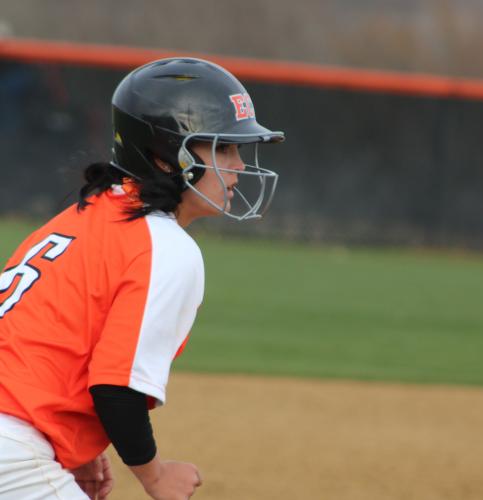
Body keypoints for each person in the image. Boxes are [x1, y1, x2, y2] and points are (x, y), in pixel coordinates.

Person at [0, 57, 284, 499]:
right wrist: (155, 475)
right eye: (223, 148)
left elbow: (37, 337)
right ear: (166, 157)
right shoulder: (166, 245)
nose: (239, 167)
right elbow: (115, 387)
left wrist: (72, 446)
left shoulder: (83, 215)